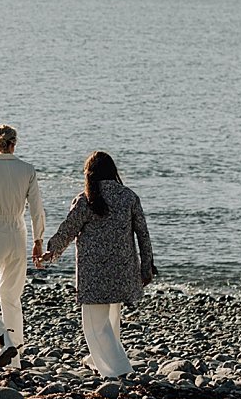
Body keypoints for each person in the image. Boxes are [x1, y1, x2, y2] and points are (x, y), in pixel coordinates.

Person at [35, 150, 156, 379]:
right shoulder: (129, 196)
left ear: (89, 174)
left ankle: (120, 371)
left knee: (95, 326)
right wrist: (146, 267)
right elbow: (143, 235)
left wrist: (51, 253)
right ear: (113, 171)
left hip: (94, 274)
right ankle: (96, 360)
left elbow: (67, 230)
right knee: (111, 324)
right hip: (122, 272)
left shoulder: (86, 199)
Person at [0, 123, 46, 369]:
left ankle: (3, 339)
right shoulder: (27, 169)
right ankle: (14, 357)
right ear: (15, 143)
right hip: (18, 233)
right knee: (11, 295)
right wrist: (38, 240)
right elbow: (36, 210)